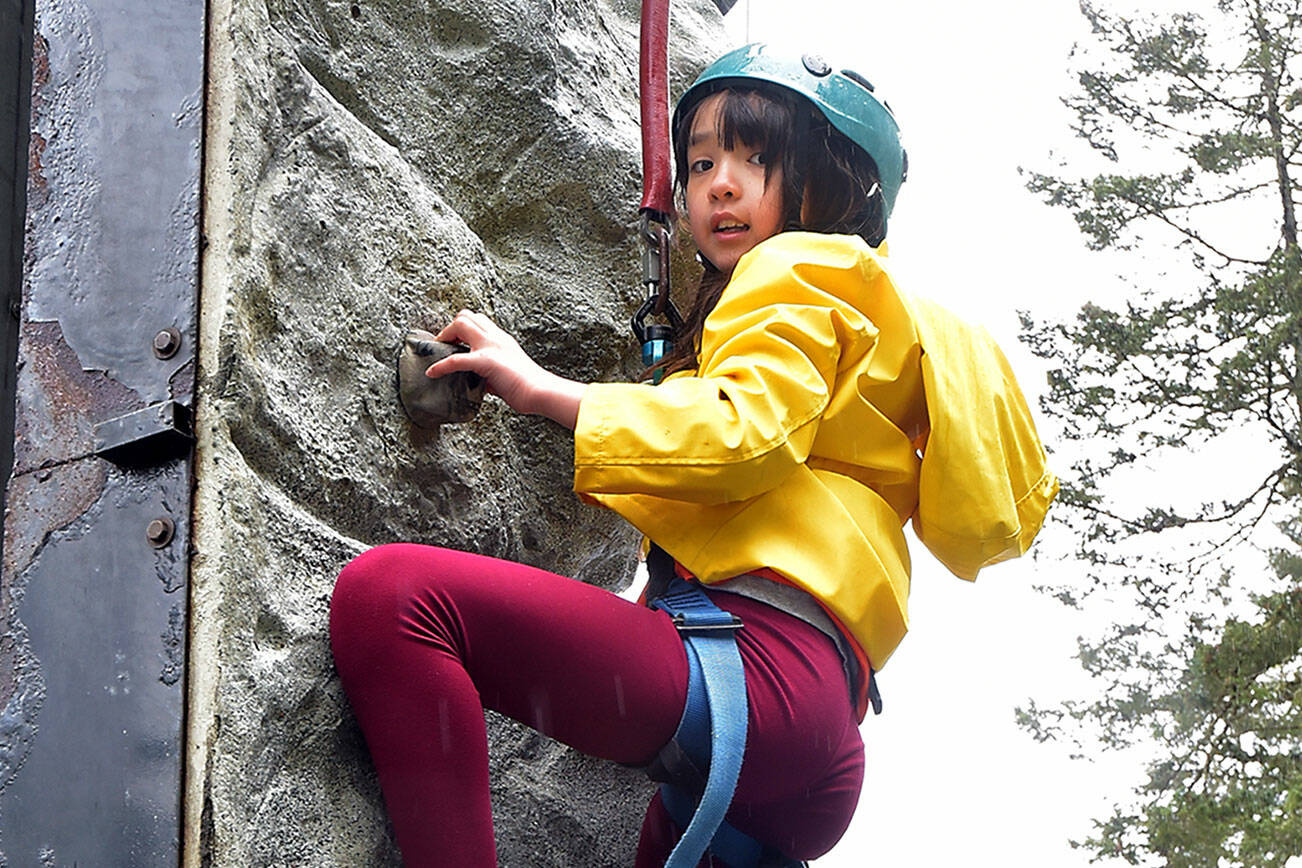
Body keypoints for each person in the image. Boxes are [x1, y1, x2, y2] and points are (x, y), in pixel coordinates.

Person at [329, 43, 1057, 868]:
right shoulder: (879, 321)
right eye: (703, 160)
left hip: (754, 674)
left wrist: (542, 390)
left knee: (394, 598)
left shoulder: (796, 268)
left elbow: (746, 436)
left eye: (758, 157)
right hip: (815, 738)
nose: (719, 183)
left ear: (837, 188)